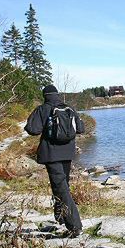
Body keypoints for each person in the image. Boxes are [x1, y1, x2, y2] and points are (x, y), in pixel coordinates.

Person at [25, 85, 85, 237]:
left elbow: (33, 129)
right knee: (62, 185)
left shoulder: (42, 109)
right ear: (57, 95)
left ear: (45, 95)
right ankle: (60, 216)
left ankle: (75, 226)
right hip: (68, 153)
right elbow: (81, 128)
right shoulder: (69, 108)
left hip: (51, 154)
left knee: (61, 189)